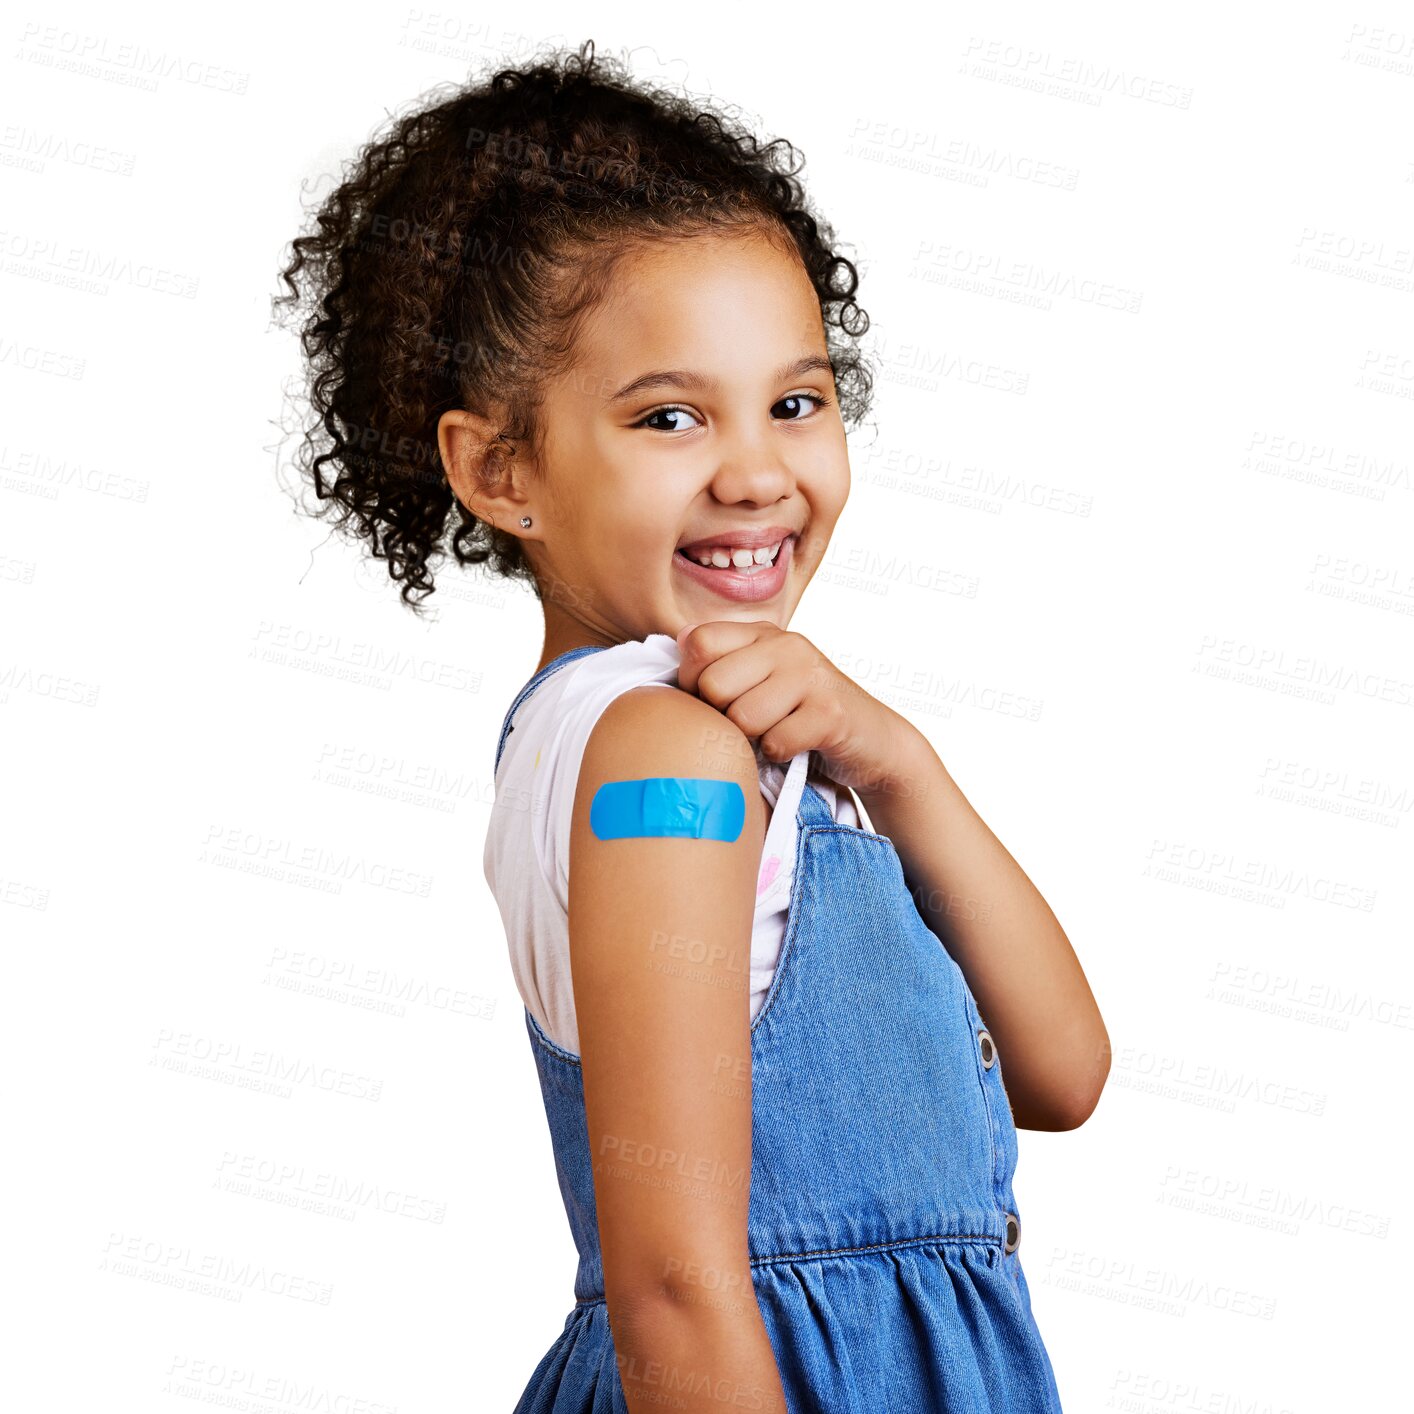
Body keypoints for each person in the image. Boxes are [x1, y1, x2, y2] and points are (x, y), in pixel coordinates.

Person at [275, 37, 1109, 1413]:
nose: (755, 470)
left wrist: (897, 762)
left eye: (795, 401)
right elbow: (671, 1281)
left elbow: (1061, 1070)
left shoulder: (771, 751)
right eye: (668, 416)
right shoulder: (660, 756)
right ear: (500, 468)